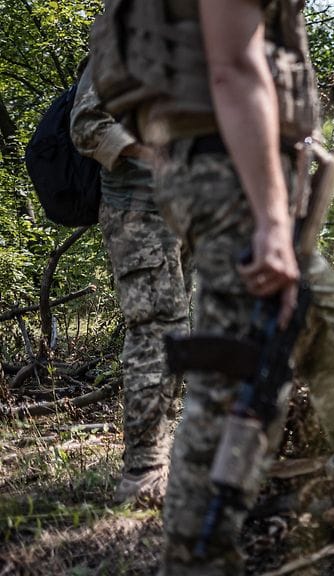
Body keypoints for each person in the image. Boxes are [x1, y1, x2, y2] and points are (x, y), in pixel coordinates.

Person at [90, 0, 334, 572]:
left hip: (221, 166)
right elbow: (233, 66)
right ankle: (195, 556)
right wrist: (271, 222)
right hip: (231, 171)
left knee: (333, 317)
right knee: (239, 375)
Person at [69, 59, 191, 507]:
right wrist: (148, 153)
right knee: (154, 329)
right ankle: (142, 469)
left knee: (180, 330)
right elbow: (86, 125)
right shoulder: (123, 39)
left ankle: (166, 450)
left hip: (189, 212)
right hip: (137, 211)